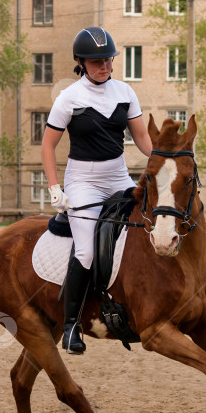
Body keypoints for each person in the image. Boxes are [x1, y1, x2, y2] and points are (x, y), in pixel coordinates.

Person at [42, 26, 152, 355]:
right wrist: (54, 188)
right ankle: (71, 325)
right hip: (83, 180)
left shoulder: (125, 92)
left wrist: (169, 157)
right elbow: (48, 146)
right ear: (81, 62)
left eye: (108, 60)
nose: (103, 66)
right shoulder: (69, 97)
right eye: (96, 62)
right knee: (86, 251)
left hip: (118, 175)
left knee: (149, 228)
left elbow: (143, 139)